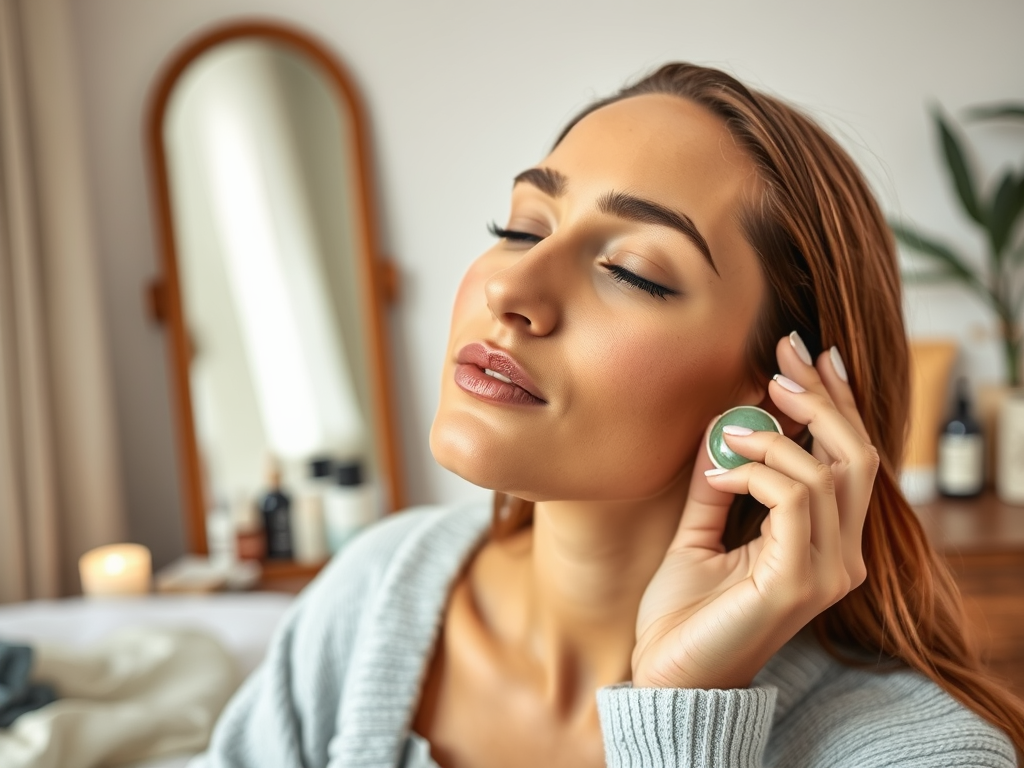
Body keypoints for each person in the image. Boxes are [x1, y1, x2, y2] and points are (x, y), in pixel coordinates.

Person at [193, 63, 1024, 767]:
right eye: (520, 228)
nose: (508, 289)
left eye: (631, 271)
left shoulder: (925, 753)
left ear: (773, 405)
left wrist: (682, 714)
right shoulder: (379, 590)